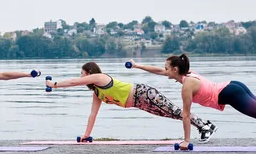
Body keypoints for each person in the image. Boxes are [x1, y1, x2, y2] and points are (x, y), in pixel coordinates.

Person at [128, 54, 256, 152]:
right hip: (233, 86)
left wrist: (186, 141)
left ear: (175, 69)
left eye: (167, 68)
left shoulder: (186, 86)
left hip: (231, 94)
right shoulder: (185, 74)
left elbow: (185, 115)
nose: (164, 71)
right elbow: (157, 71)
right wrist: (137, 66)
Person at [44, 61, 217, 142]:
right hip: (139, 103)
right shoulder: (97, 92)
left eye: (82, 73)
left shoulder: (100, 77)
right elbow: (93, 114)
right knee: (171, 114)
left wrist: (55, 85)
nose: (81, 77)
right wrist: (86, 135)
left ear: (89, 73)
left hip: (144, 93)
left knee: (173, 110)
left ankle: (204, 126)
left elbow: (74, 82)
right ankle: (204, 125)